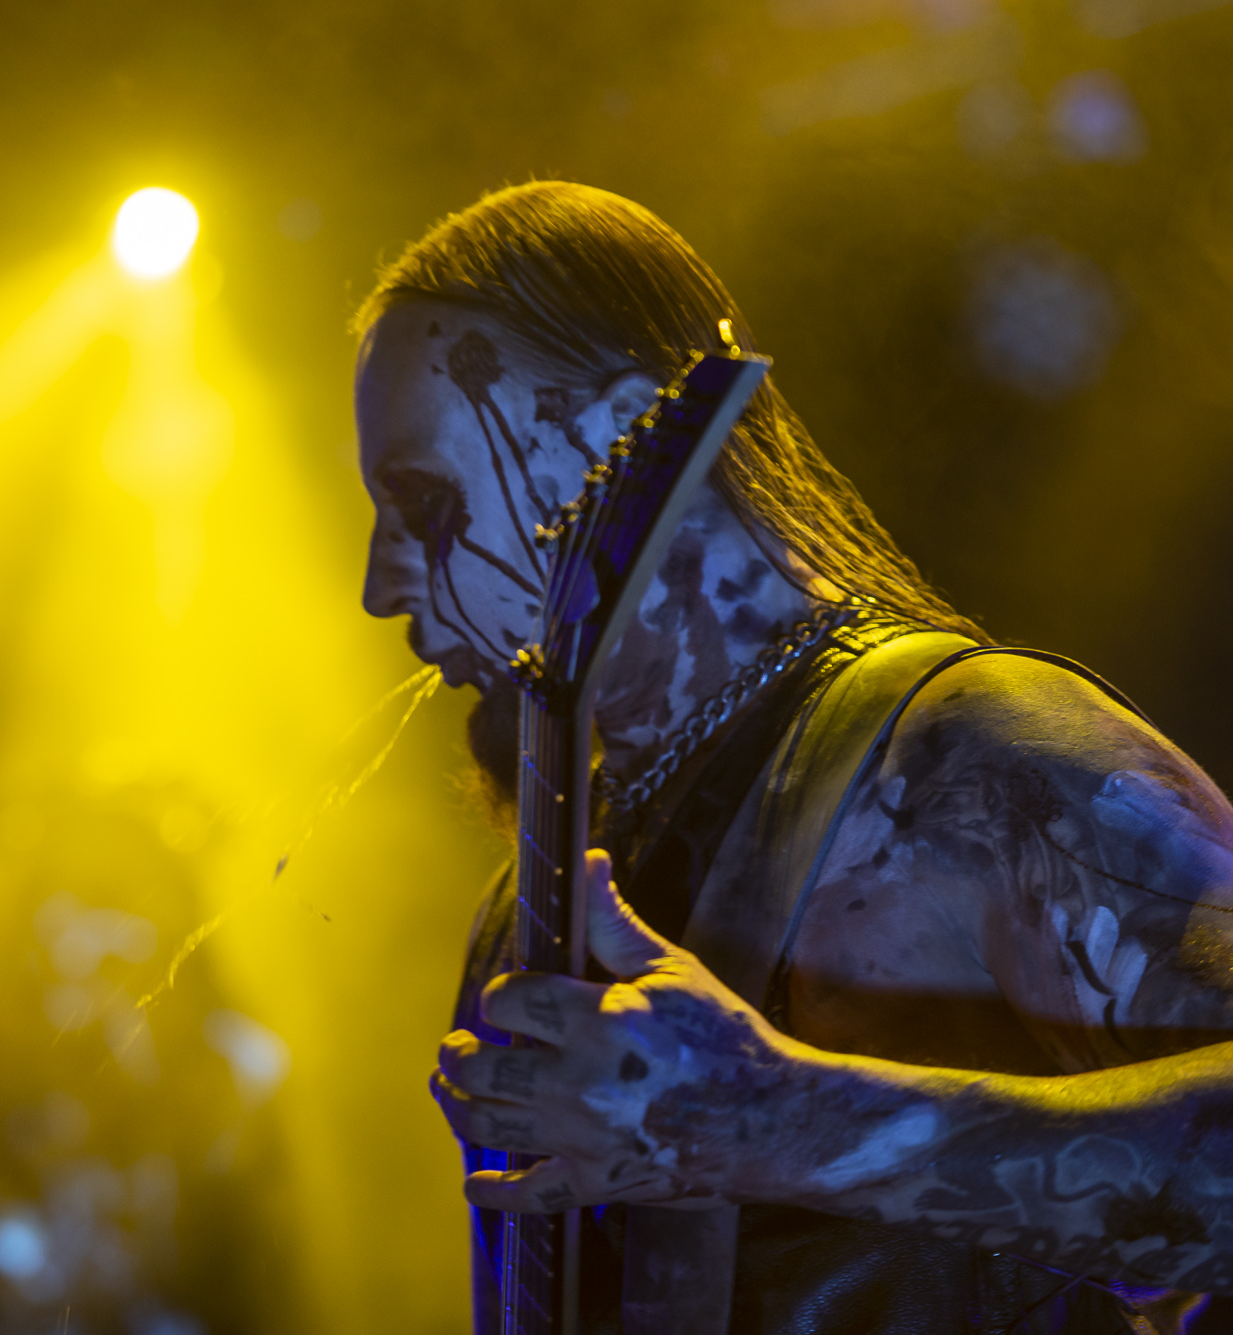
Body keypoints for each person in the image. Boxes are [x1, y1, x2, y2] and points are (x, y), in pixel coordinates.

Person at [353, 181, 1233, 1333]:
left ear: (610, 440)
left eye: (421, 503)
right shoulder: (536, 892)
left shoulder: (961, 754)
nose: (377, 586)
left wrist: (775, 1120)